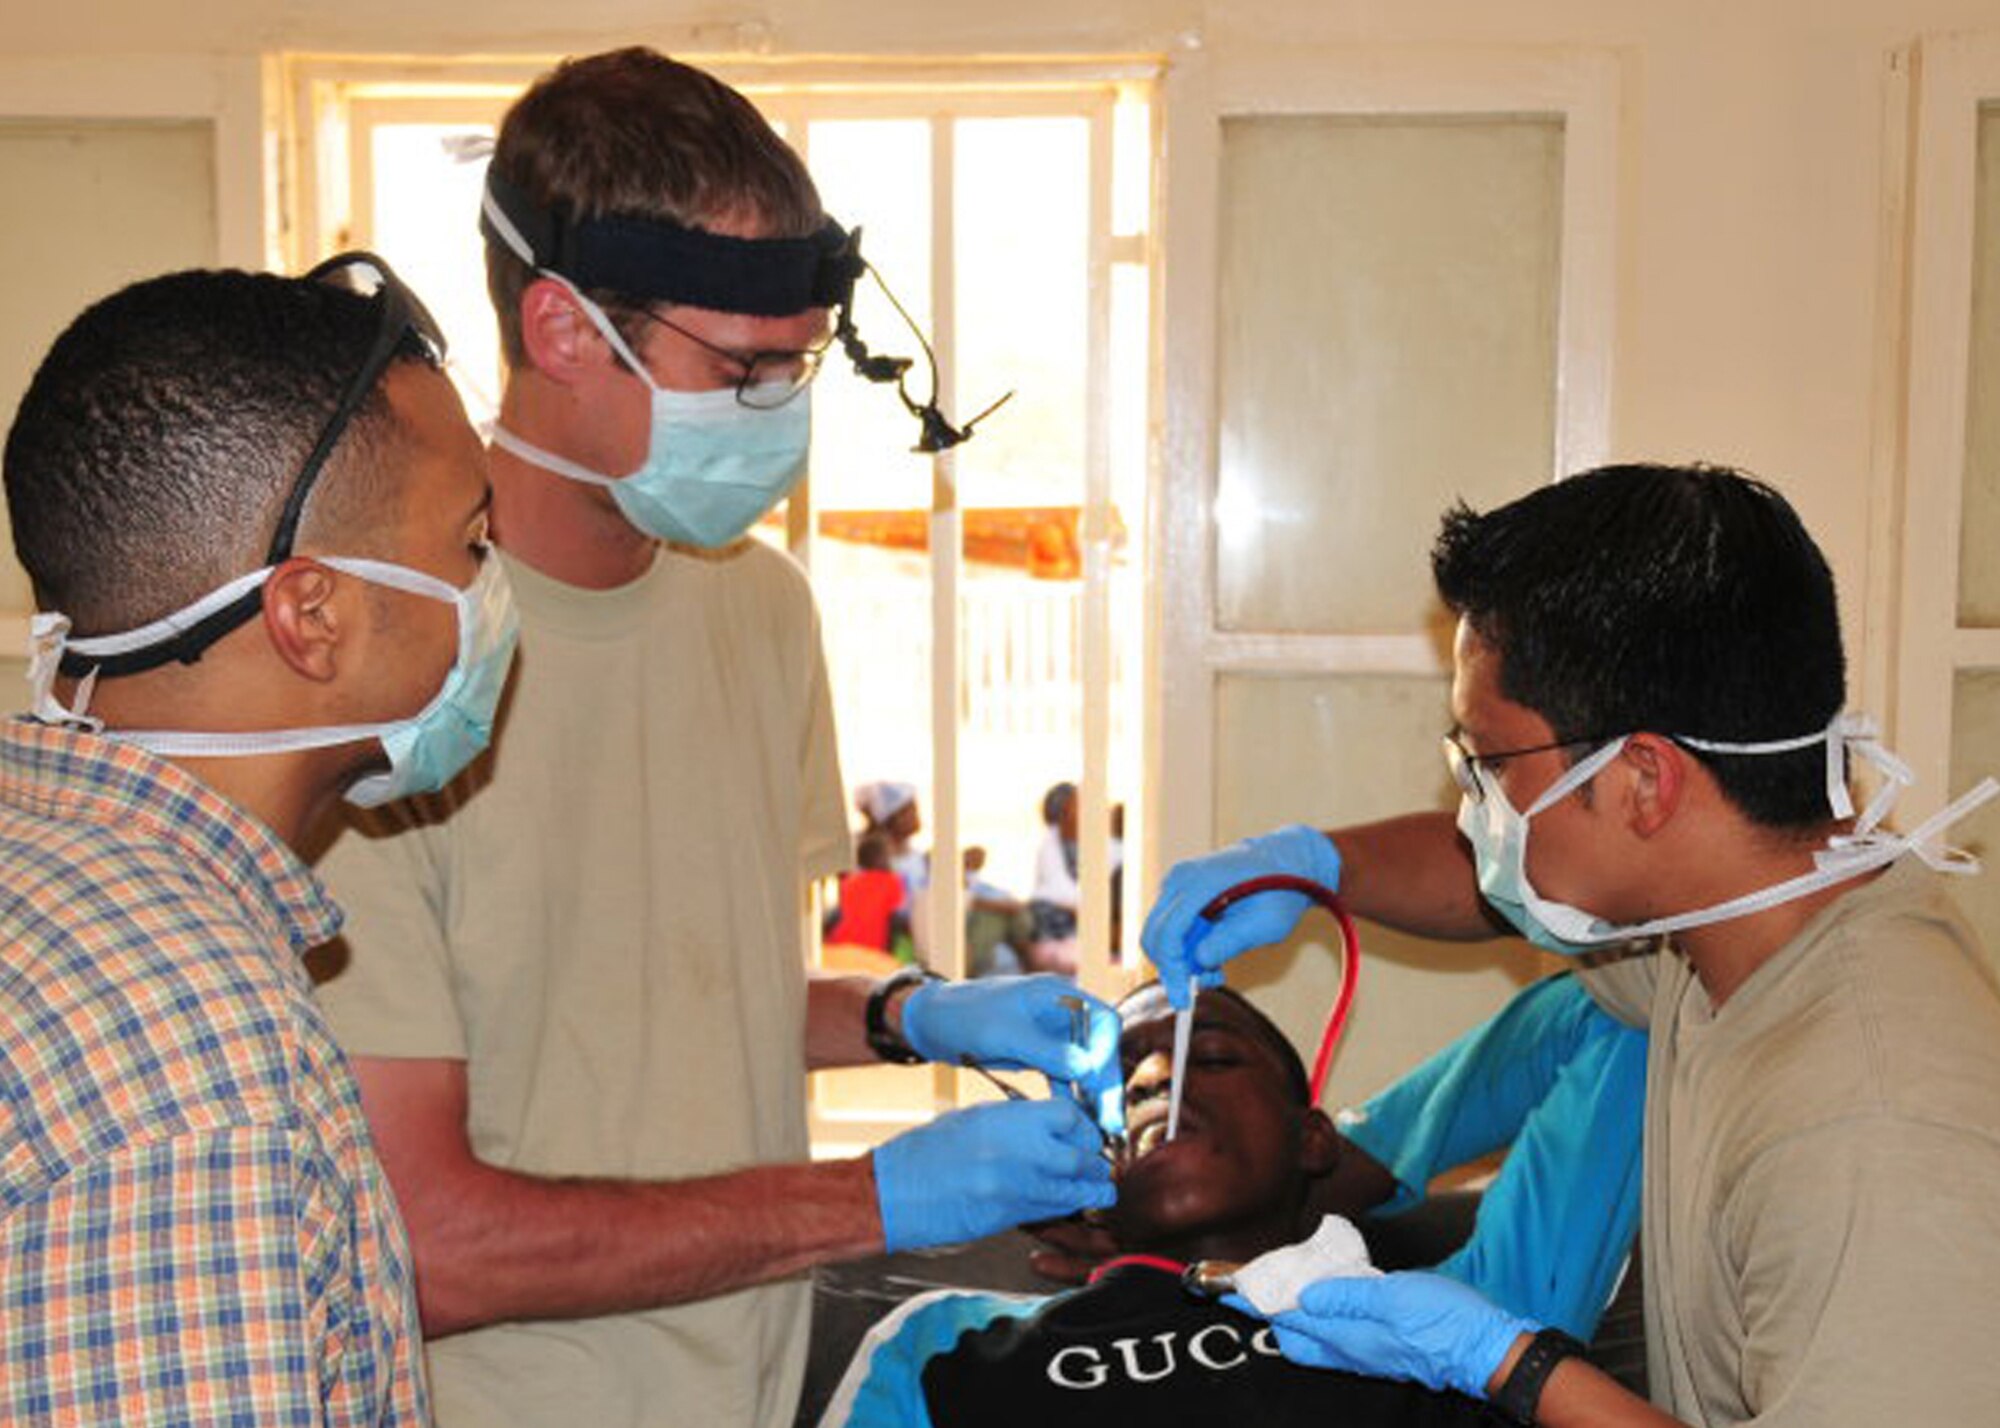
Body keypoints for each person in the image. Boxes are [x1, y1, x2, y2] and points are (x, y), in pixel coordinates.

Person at [310, 47, 1123, 1428]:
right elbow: (424, 1245)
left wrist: (907, 1014)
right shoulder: (387, 673)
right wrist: (868, 1200)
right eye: (743, 368)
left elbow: (683, 1008)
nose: (780, 410)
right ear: (564, 330)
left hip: (744, 1383)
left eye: (799, 365)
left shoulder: (759, 609)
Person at [1142, 464, 2000, 1425]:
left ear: (1645, 780)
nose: (1474, 813)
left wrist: (1511, 1364)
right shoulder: (1718, 932)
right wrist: (1309, 868)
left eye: (1490, 765)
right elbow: (1509, 884)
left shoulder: (1873, 1131)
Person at [2, 256, 512, 1425]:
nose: (492, 586)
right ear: (312, 615)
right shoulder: (188, 1052)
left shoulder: (41, 870)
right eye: (471, 541)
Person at [818, 983, 1500, 1428]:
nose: (1154, 1079)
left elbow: (1575, 1027)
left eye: (1213, 1057)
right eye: (1119, 1080)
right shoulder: (942, 1341)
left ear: (1313, 1138)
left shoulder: (1435, 1319)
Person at [829, 829, 910, 955]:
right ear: (881, 858)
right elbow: (897, 919)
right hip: (873, 949)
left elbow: (838, 916)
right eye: (889, 855)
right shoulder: (892, 882)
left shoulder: (849, 882)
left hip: (841, 946)